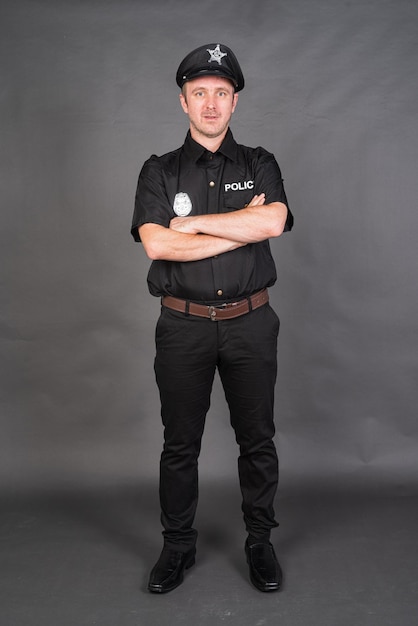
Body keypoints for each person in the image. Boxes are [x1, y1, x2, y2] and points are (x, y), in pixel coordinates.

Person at [131, 43, 293, 594]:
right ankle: (177, 547)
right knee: (180, 444)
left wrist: (193, 227)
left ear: (234, 102)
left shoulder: (260, 163)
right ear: (183, 101)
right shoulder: (159, 170)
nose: (210, 103)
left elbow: (271, 223)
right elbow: (156, 245)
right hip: (183, 326)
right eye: (199, 92)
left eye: (221, 93)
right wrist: (232, 226)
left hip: (251, 323)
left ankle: (260, 542)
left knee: (258, 439)